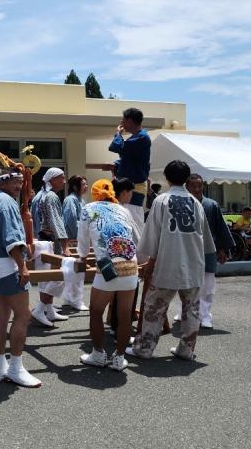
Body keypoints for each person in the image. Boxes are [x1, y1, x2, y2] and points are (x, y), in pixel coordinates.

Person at [125, 160, 215, 362]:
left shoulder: (162, 201)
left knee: (154, 307)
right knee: (191, 309)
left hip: (167, 263)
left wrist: (149, 261)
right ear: (186, 179)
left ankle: (144, 349)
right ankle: (186, 350)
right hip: (193, 264)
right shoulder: (196, 203)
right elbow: (205, 239)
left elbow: (153, 236)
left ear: (166, 177)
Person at [0, 168, 41, 387]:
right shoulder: (6, 202)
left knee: (2, 315)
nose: (18, 186)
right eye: (15, 181)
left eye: (21, 182)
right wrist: (22, 266)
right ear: (2, 183)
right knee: (23, 316)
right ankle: (16, 368)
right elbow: (12, 238)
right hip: (6, 264)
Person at [77, 179, 139, 372]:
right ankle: (119, 358)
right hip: (130, 264)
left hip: (107, 267)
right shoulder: (123, 210)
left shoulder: (88, 208)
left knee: (96, 311)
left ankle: (97, 354)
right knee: (124, 315)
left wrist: (82, 256)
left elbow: (83, 239)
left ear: (95, 193)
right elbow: (135, 238)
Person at [182, 174, 235, 329]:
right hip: (187, 250)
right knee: (185, 284)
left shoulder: (212, 205)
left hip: (208, 250)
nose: (197, 189)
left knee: (208, 285)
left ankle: (205, 316)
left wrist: (223, 249)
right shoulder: (182, 204)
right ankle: (184, 311)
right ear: (187, 187)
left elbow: (220, 228)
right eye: (193, 186)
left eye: (200, 185)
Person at [31, 167, 70, 327]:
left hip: (39, 241)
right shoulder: (51, 196)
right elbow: (57, 223)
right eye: (61, 177)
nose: (64, 181)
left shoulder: (39, 195)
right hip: (51, 242)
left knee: (44, 279)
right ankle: (40, 310)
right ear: (52, 179)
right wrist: (65, 245)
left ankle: (50, 310)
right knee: (58, 277)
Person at [108, 107, 151, 237]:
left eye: (123, 121)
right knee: (124, 223)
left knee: (134, 226)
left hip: (134, 188)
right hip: (128, 186)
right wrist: (116, 164)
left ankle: (137, 256)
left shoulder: (142, 137)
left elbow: (115, 146)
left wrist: (118, 134)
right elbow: (129, 158)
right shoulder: (137, 137)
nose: (122, 124)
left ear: (130, 121)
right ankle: (128, 254)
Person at [62, 175, 87, 240]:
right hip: (72, 237)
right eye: (83, 184)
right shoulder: (70, 199)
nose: (86, 186)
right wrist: (79, 236)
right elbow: (72, 220)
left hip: (81, 235)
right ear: (75, 187)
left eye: (86, 184)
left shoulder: (82, 201)